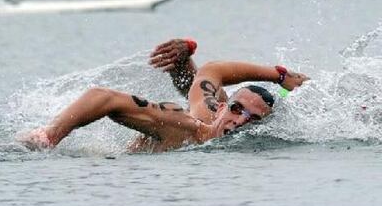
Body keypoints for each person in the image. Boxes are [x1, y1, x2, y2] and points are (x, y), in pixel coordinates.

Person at [16, 38, 309, 153]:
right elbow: (102, 97)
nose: (240, 121)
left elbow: (209, 73)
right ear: (220, 107)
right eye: (235, 109)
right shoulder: (182, 126)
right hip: (126, 164)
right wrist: (51, 135)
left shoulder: (217, 116)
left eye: (252, 119)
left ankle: (180, 65)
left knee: (193, 82)